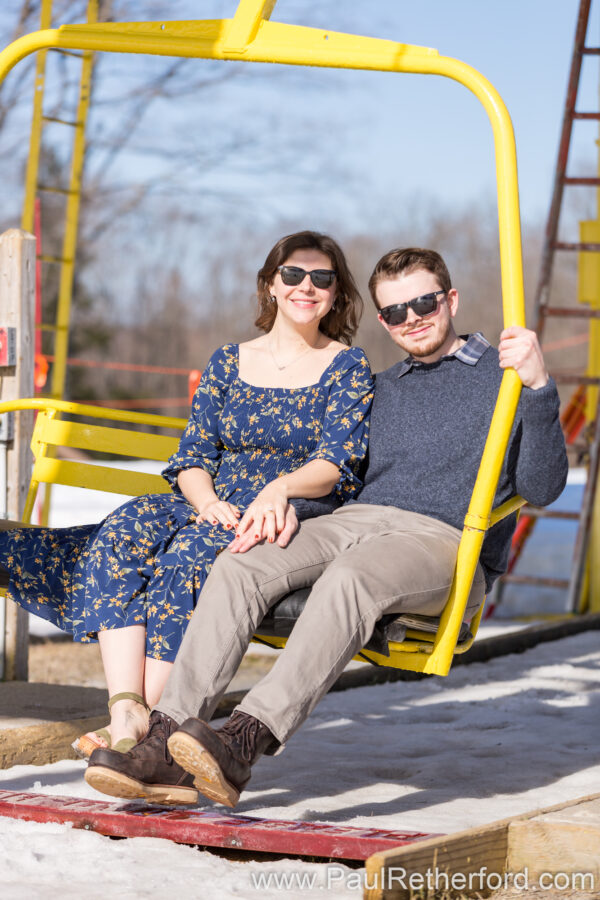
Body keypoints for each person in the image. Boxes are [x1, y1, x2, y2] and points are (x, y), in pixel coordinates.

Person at [84, 246, 568, 807]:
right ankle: (165, 741)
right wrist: (289, 500)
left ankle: (242, 740)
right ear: (383, 321)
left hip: (442, 539)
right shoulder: (382, 387)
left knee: (351, 578)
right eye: (394, 312)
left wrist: (537, 387)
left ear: (451, 299)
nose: (411, 318)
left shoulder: (502, 377)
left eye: (424, 303)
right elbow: (338, 468)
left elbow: (543, 486)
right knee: (241, 562)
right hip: (354, 520)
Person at [0, 230, 373, 757]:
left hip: (281, 507)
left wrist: (276, 489)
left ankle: (152, 727)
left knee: (189, 559)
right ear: (270, 285)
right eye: (293, 274)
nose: (305, 287)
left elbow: (333, 464)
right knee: (124, 529)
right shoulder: (228, 361)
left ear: (336, 293)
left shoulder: (347, 366)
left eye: (321, 278)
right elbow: (194, 456)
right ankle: (126, 707)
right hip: (208, 499)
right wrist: (206, 502)